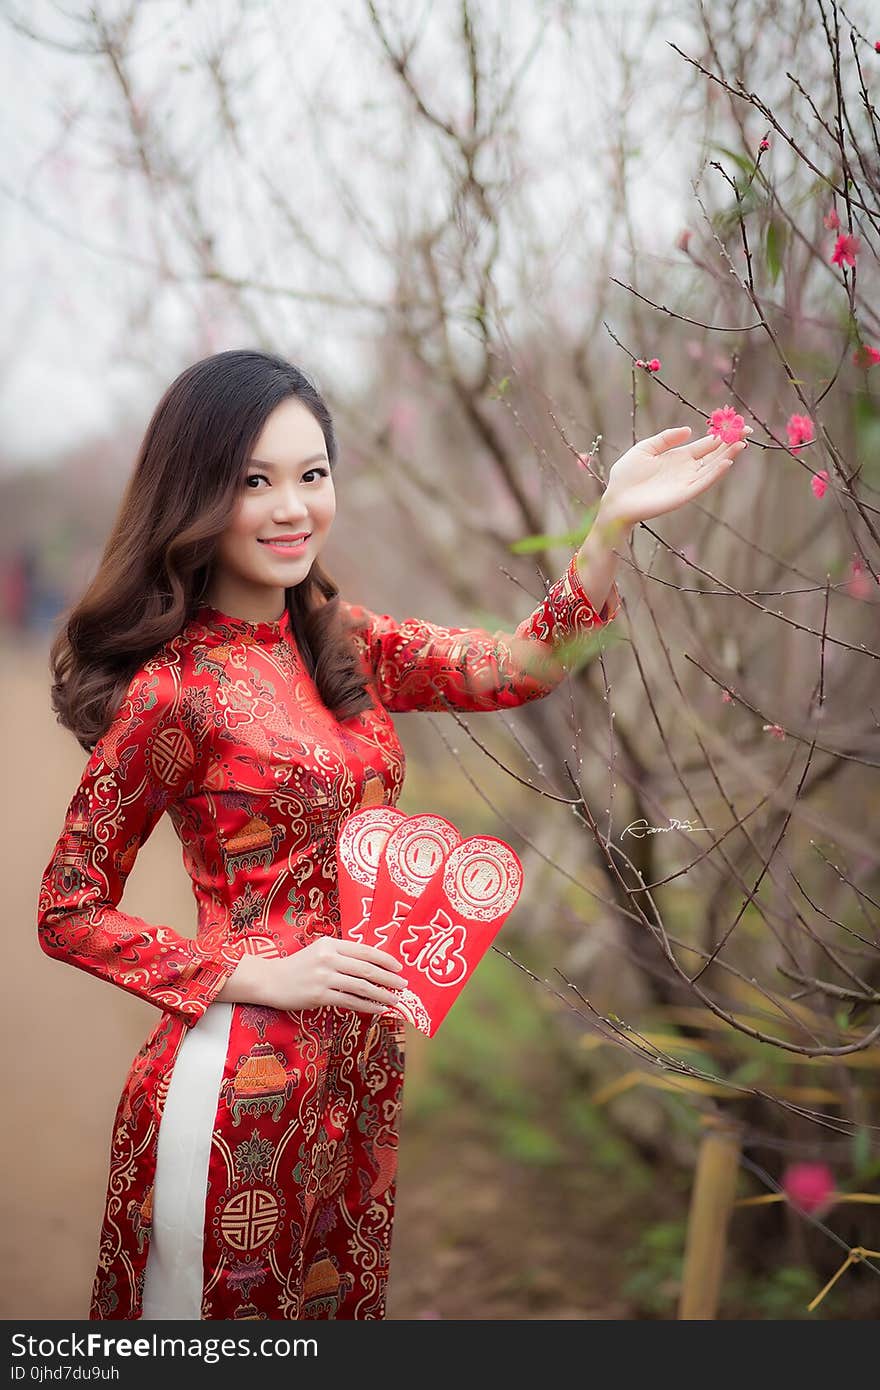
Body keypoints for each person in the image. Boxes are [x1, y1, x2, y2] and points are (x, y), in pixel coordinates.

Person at [36, 349, 748, 1321]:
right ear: (196, 493)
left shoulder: (339, 639)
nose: (292, 506)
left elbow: (520, 665)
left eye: (310, 474)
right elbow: (67, 911)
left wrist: (608, 529)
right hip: (238, 1086)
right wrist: (249, 971)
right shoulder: (176, 692)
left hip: (359, 1073)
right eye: (255, 480)